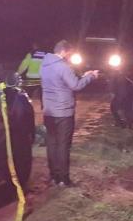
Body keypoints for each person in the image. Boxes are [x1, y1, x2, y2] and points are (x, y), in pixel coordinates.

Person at [40, 40, 99, 186]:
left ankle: (54, 176)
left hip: (49, 111)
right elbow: (75, 85)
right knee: (63, 145)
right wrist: (91, 76)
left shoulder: (44, 65)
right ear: (64, 51)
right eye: (69, 53)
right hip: (63, 112)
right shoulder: (63, 66)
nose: (70, 56)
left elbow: (62, 82)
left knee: (52, 144)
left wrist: (83, 75)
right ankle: (64, 179)